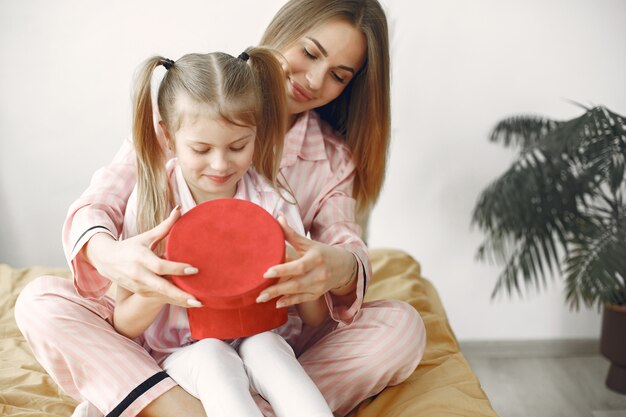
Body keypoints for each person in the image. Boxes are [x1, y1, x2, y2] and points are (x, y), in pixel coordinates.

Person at [15, 1, 426, 416]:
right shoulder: (187, 109)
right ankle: (182, 406)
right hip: (173, 346)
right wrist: (112, 254)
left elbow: (341, 250)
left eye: (339, 75)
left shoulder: (307, 176)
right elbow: (99, 204)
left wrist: (333, 269)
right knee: (39, 302)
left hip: (271, 338)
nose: (316, 79)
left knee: (401, 328)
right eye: (310, 52)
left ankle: (150, 398)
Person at [113, 49, 332, 417]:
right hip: (182, 351)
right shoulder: (153, 202)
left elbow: (313, 318)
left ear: (257, 134)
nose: (220, 163)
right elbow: (123, 323)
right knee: (212, 357)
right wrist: (160, 285)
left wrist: (300, 269)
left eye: (237, 146)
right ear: (168, 136)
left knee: (269, 352)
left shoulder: (271, 200)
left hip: (263, 336)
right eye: (201, 149)